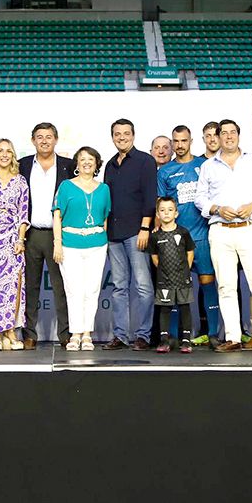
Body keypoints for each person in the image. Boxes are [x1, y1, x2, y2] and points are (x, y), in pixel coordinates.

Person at [194, 118, 252, 353]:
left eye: (232, 132)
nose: (228, 136)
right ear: (217, 137)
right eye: (223, 133)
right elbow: (200, 197)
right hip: (220, 231)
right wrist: (216, 208)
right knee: (226, 286)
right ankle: (233, 338)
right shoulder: (208, 166)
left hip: (249, 228)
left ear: (238, 135)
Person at [158, 125, 221, 348]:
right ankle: (173, 336)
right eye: (176, 141)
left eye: (184, 140)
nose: (180, 145)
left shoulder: (204, 165)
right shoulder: (165, 172)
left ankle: (213, 333)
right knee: (176, 288)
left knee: (207, 282)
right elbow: (161, 205)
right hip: (176, 239)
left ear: (191, 141)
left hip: (202, 235)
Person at [103, 119, 156, 351]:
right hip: (113, 234)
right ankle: (120, 335)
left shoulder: (145, 161)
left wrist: (145, 227)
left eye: (126, 133)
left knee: (143, 286)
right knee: (119, 287)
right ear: (112, 137)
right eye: (117, 134)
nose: (121, 137)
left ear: (133, 135)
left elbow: (149, 196)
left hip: (137, 232)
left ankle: (143, 335)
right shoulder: (110, 165)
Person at [19, 122, 74, 348]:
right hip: (30, 234)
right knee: (29, 286)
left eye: (49, 137)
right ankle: (29, 334)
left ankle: (65, 335)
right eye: (39, 137)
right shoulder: (22, 165)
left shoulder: (69, 166)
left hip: (58, 236)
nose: (44, 141)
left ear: (56, 140)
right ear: (33, 140)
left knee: (62, 287)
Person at [53, 146, 111, 352]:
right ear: (76, 164)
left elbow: (105, 218)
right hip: (70, 243)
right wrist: (57, 243)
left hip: (97, 244)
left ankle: (87, 334)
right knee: (74, 289)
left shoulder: (104, 189)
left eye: (91, 159)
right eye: (82, 159)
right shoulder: (66, 186)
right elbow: (57, 215)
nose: (86, 162)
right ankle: (75, 334)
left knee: (92, 289)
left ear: (96, 164)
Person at [0, 138, 29, 351]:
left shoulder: (20, 181)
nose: (4, 155)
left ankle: (10, 330)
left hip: (12, 238)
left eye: (8, 151)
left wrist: (20, 239)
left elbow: (23, 212)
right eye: (0, 151)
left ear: (13, 155)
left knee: (14, 285)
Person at [148, 196, 195, 354]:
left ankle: (187, 341)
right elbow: (154, 257)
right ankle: (164, 341)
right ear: (157, 214)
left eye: (170, 210)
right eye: (162, 210)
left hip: (182, 278)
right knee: (165, 309)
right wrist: (163, 270)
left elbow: (190, 252)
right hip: (164, 280)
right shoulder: (155, 236)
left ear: (176, 213)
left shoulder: (183, 232)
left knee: (184, 307)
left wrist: (185, 270)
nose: (166, 213)